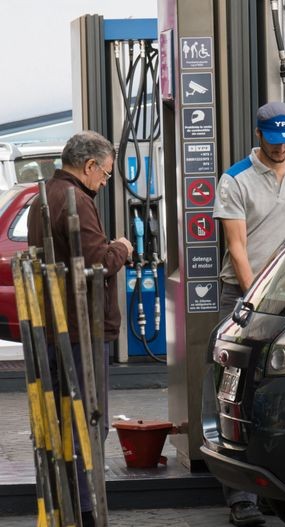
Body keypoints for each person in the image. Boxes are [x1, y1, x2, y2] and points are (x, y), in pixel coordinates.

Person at [213, 101, 285, 525]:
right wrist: (257, 295)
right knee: (234, 392)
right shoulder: (235, 179)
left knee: (278, 395)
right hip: (242, 297)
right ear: (259, 135)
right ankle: (241, 499)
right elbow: (237, 245)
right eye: (274, 141)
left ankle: (276, 486)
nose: (281, 149)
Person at [27, 130, 133, 527]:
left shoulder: (44, 196)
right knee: (88, 421)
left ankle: (72, 505)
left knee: (66, 419)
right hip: (81, 331)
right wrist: (122, 247)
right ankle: (86, 509)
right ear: (89, 166)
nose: (105, 182)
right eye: (105, 174)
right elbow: (97, 264)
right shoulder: (77, 201)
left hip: (58, 326)